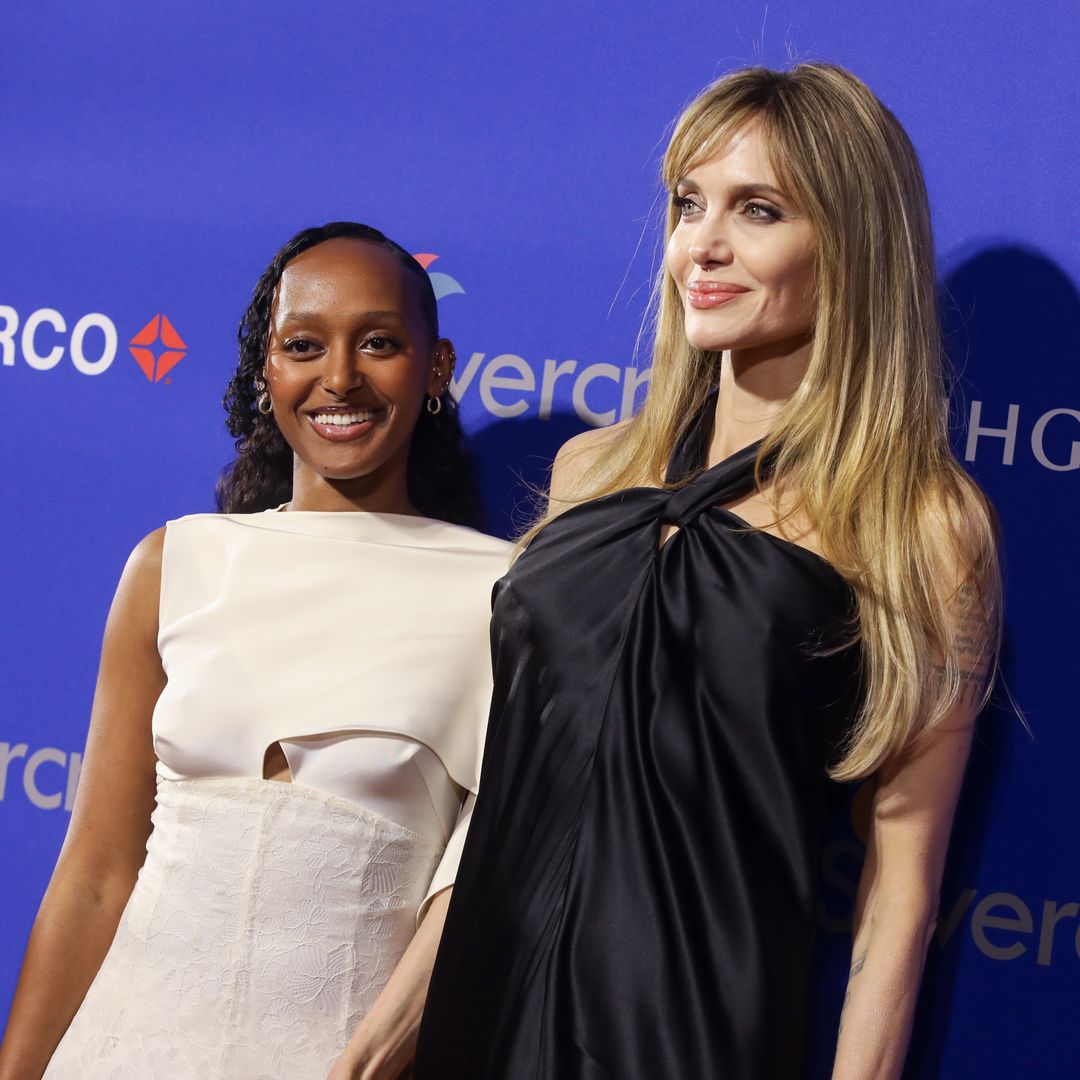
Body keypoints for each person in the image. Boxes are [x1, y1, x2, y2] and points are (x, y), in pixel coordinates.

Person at [413, 64, 1001, 1079]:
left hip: (686, 1040)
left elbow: (898, 900)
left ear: (852, 245)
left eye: (758, 210)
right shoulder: (589, 473)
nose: (703, 246)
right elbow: (510, 796)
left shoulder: (918, 522)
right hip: (481, 1018)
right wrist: (393, 1022)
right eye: (689, 206)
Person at [0, 222, 511, 1080]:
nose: (339, 377)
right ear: (267, 369)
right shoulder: (176, 562)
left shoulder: (503, 595)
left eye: (379, 343)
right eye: (304, 345)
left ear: (437, 368)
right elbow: (93, 876)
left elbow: (478, 904)